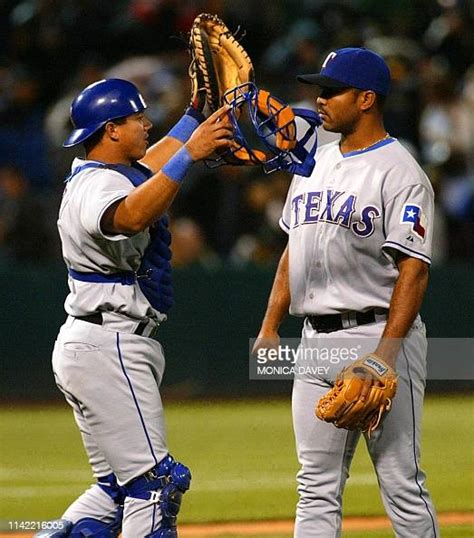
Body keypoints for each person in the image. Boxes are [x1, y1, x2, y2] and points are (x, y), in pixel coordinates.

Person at [254, 48, 439, 537]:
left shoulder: (401, 172)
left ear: (366, 99)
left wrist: (386, 354)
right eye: (320, 88)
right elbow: (292, 251)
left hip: (378, 332)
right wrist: (271, 324)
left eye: (332, 90)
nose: (320, 98)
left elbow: (414, 272)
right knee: (314, 484)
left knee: (401, 482)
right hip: (315, 339)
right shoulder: (311, 164)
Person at [36, 78, 232, 538]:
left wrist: (195, 115)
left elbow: (152, 165)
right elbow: (129, 215)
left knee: (114, 490)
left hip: (97, 343)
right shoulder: (97, 186)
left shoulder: (106, 173)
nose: (146, 124)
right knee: (157, 484)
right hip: (109, 344)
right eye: (136, 118)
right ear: (111, 130)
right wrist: (192, 153)